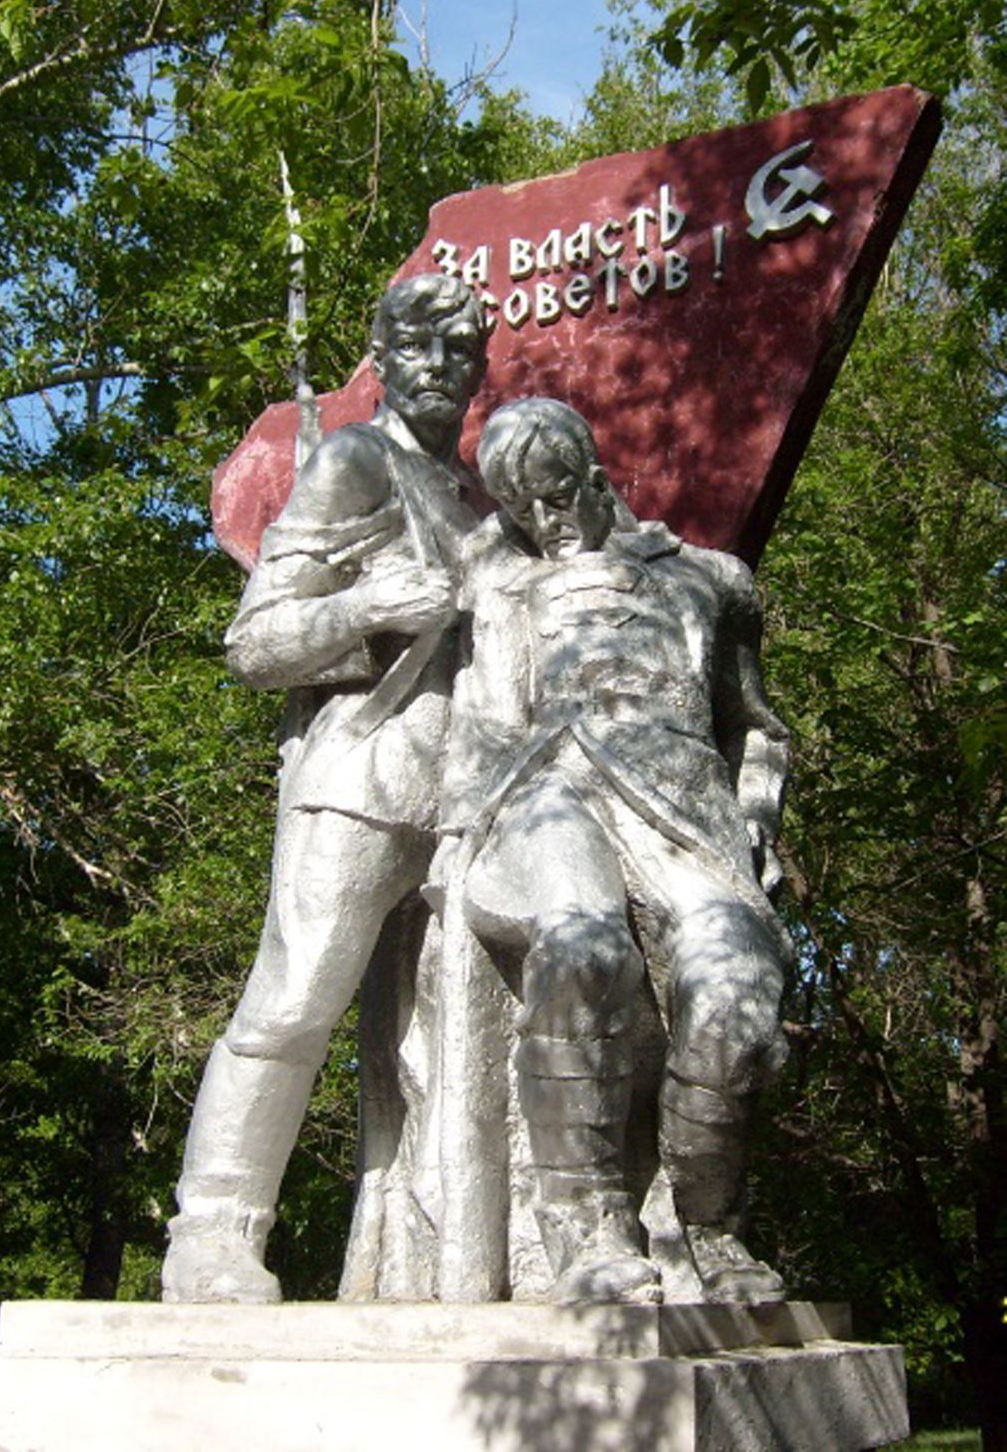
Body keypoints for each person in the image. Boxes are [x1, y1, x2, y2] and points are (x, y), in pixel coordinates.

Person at [162, 274, 488, 1304]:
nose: (440, 367)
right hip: (361, 776)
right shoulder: (353, 461)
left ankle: (439, 1250)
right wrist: (365, 606)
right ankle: (212, 1232)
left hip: (468, 797)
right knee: (296, 998)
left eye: (461, 350)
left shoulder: (477, 493)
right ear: (381, 360)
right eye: (419, 346)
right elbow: (256, 643)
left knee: (455, 1037)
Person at [435, 397, 792, 1303]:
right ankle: (586, 1227)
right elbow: (481, 734)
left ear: (594, 478)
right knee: (584, 948)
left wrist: (759, 813)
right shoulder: (502, 588)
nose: (543, 522)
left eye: (555, 497)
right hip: (548, 797)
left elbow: (757, 729)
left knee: (738, 1004)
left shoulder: (710, 580)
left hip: (686, 815)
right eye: (521, 509)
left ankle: (707, 1227)